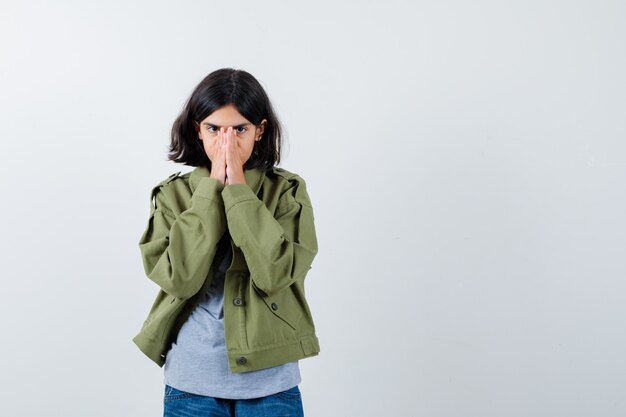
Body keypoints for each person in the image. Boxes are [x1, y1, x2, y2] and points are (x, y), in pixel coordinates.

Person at [132, 68, 320, 417]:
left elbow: (276, 275)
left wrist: (237, 192)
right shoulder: (173, 194)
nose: (227, 142)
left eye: (240, 129)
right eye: (214, 128)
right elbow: (178, 278)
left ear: (260, 130)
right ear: (197, 130)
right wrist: (210, 192)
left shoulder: (287, 192)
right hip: (191, 384)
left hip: (271, 383)